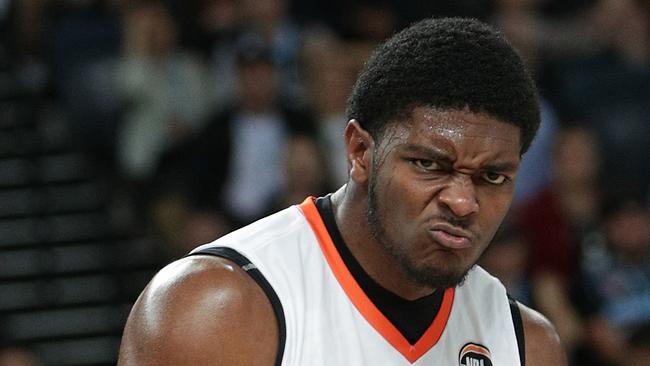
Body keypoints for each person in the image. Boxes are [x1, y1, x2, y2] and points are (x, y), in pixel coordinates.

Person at [118, 18, 566, 365]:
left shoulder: (528, 345)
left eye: (492, 177)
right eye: (430, 165)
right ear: (359, 151)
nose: (462, 202)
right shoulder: (214, 308)